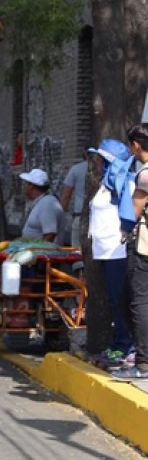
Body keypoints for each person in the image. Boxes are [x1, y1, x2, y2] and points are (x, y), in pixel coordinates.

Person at [85, 139, 136, 370]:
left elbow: (128, 216)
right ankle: (119, 344)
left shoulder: (123, 183)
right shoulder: (106, 184)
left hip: (118, 251)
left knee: (121, 301)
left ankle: (126, 347)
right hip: (105, 252)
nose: (96, 162)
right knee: (115, 301)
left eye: (100, 158)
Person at [112, 124, 148, 380]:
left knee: (136, 302)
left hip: (143, 246)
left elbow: (133, 213)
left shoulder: (144, 176)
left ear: (136, 145)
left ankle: (144, 362)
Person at [19, 168, 62, 242]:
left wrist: (39, 251)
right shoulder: (41, 202)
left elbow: (50, 235)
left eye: (26, 184)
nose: (24, 187)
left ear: (31, 186)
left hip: (40, 252)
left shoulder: (47, 204)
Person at [60, 152, 88, 247]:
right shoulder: (103, 169)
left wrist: (60, 215)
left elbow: (66, 195)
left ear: (85, 153)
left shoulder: (76, 169)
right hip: (98, 218)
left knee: (77, 252)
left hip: (80, 216)